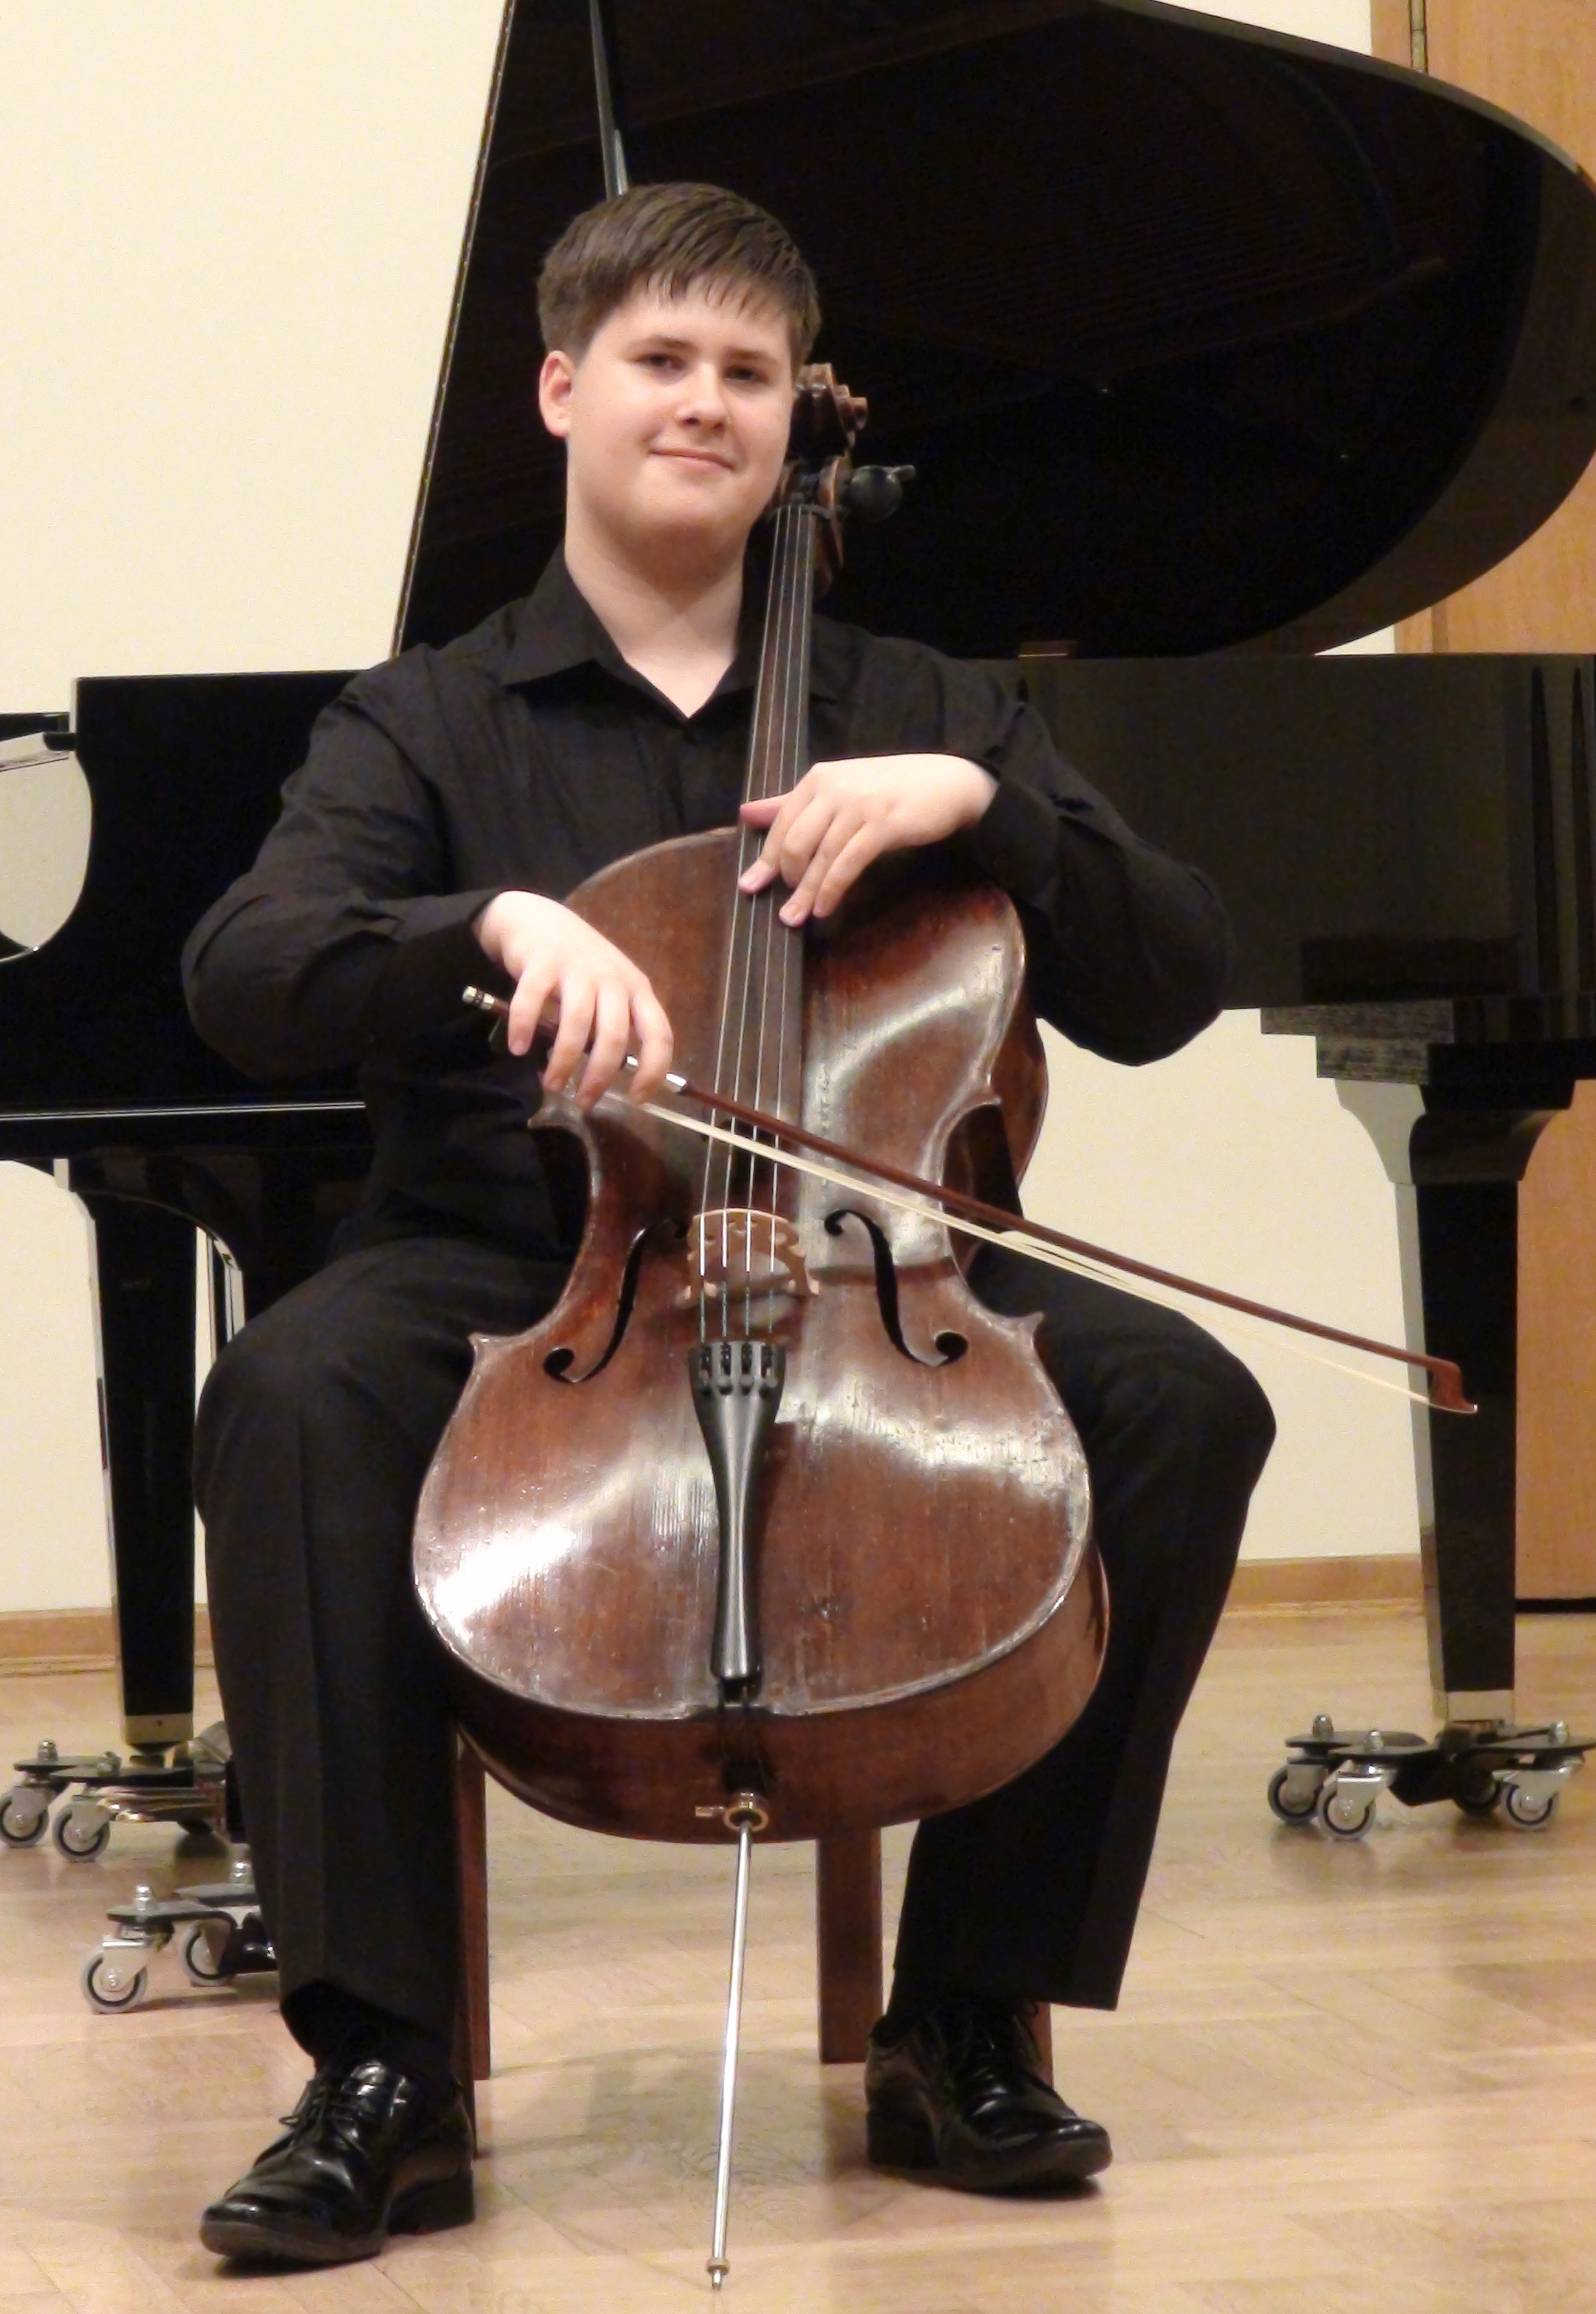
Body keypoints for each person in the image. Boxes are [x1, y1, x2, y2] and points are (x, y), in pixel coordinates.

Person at [183, 181, 1275, 2268]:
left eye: (749, 372)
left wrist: (991, 809)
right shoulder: (427, 718)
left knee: (1181, 1403)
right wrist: (486, 925)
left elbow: (1174, 978)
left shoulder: (919, 699)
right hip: (523, 1262)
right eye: (662, 360)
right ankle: (380, 2067)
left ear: (796, 419)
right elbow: (247, 969)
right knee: (294, 1395)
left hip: (879, 1257)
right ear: (560, 389)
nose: (706, 402)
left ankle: (970, 2010)